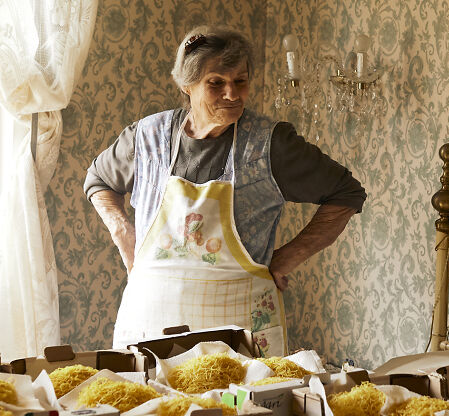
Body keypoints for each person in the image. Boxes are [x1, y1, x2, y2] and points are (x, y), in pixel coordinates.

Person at [84, 27, 366, 354]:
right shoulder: (147, 138)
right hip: (150, 324)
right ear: (186, 85)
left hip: (239, 330)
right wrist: (122, 232)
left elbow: (346, 193)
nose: (232, 94)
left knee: (241, 405)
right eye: (216, 82)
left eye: (241, 81)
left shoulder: (270, 144)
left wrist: (285, 260)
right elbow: (98, 180)